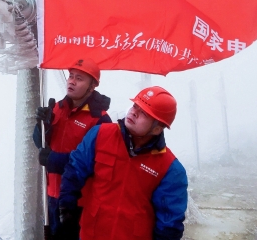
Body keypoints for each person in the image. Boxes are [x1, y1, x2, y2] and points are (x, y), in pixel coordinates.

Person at [57, 86, 188, 240]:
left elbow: (169, 225)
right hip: (91, 234)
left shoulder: (170, 168)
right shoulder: (100, 135)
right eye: (135, 106)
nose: (134, 112)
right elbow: (74, 172)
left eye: (144, 113)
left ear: (157, 128)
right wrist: (66, 211)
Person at [34, 59, 112, 238]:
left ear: (92, 87)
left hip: (79, 201)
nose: (71, 81)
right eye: (70, 76)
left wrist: (54, 160)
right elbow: (40, 144)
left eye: (79, 78)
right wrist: (40, 127)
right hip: (52, 194)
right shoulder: (56, 108)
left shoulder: (100, 120)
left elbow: (95, 163)